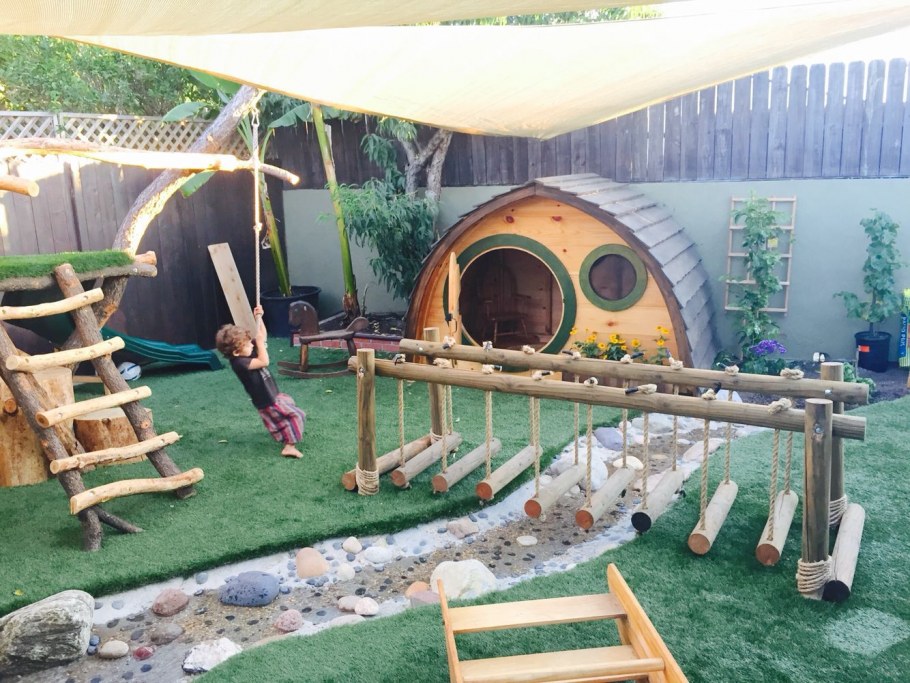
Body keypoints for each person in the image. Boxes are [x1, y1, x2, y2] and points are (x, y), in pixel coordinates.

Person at [215, 306, 305, 458]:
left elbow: (261, 336)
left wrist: (259, 317)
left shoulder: (245, 353)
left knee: (288, 406)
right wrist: (261, 344)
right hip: (267, 400)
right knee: (297, 415)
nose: (252, 345)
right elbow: (264, 361)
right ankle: (289, 446)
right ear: (236, 352)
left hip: (272, 395)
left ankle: (281, 431)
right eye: (247, 344)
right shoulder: (239, 363)